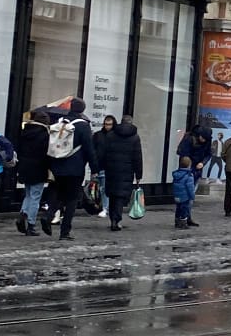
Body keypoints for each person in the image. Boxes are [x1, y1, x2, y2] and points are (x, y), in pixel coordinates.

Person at [40, 99, 96, 240]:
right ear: (82, 110)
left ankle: (48, 216)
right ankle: (65, 232)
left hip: (57, 165)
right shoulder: (83, 126)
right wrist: (95, 168)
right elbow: (89, 149)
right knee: (71, 199)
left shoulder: (60, 122)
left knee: (56, 194)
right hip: (75, 168)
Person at [97, 114, 143, 231]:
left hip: (111, 169)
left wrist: (99, 167)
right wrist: (138, 175)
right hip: (127, 171)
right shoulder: (135, 137)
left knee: (112, 194)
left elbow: (104, 152)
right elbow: (137, 157)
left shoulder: (111, 135)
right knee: (120, 196)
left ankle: (113, 218)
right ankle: (116, 220)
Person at [14, 108, 51, 235]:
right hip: (38, 168)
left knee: (28, 194)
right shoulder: (45, 134)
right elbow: (47, 153)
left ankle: (22, 215)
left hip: (25, 167)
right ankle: (31, 224)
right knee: (35, 197)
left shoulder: (25, 132)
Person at [171, 159, 199, 229]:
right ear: (189, 165)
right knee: (184, 210)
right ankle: (183, 223)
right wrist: (192, 196)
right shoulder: (189, 175)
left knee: (178, 209)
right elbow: (190, 188)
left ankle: (177, 222)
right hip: (185, 197)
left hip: (177, 196)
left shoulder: (176, 174)